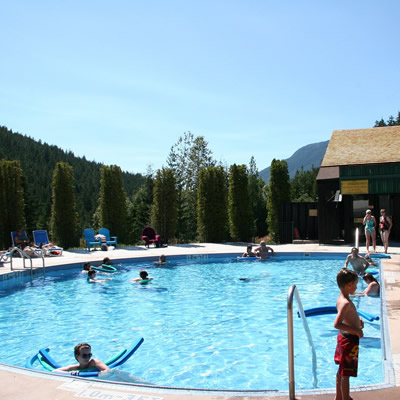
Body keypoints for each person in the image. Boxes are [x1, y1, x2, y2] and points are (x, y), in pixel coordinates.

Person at [334, 268, 364, 400]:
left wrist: (358, 321)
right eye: (355, 284)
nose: (356, 287)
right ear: (349, 285)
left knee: (341, 370)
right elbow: (337, 324)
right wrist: (356, 330)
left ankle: (339, 397)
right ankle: (345, 398)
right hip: (349, 341)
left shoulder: (342, 298)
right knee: (346, 373)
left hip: (344, 337)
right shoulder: (346, 303)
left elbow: (347, 318)